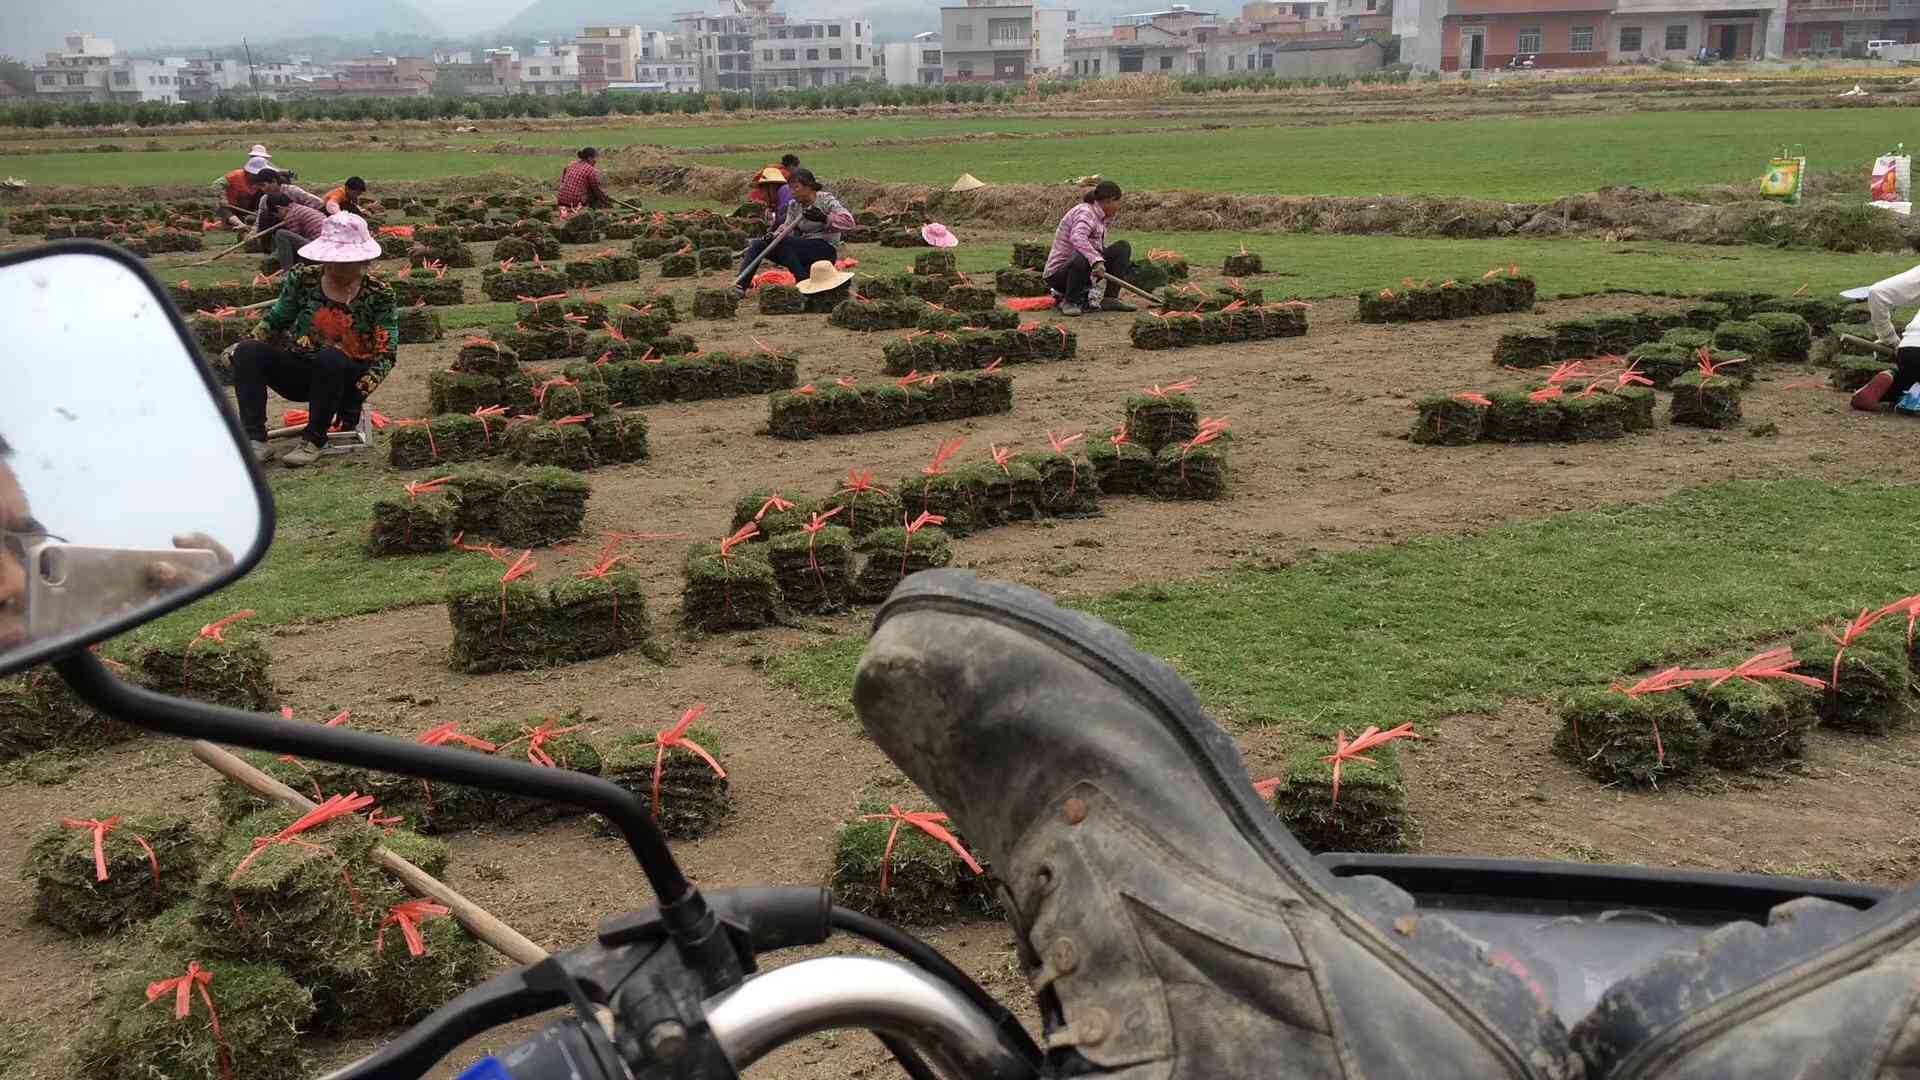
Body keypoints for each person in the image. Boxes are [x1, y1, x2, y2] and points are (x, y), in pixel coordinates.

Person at [232, 213, 398, 468]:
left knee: (330, 357)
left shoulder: (380, 294)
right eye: (330, 261)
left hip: (345, 378)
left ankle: (314, 440)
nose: (335, 268)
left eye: (345, 262)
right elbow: (277, 319)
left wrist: (357, 395)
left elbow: (386, 354)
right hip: (302, 368)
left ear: (364, 260)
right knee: (248, 352)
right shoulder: (304, 278)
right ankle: (255, 439)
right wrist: (247, 343)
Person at [733, 168, 853, 291]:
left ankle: (802, 280)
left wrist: (824, 218)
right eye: (790, 188)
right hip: (802, 249)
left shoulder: (826, 200)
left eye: (796, 188)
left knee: (783, 242)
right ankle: (740, 286)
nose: (792, 192)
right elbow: (786, 227)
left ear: (808, 187)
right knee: (759, 244)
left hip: (824, 249)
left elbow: (849, 222)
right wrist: (772, 236)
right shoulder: (794, 206)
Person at [1045, 179, 1137, 317]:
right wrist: (1096, 261)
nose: (1118, 207)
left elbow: (1095, 246)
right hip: (1060, 275)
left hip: (1083, 271)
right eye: (1118, 202)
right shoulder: (1085, 213)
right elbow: (1077, 238)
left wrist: (1098, 260)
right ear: (1109, 201)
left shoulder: (1099, 216)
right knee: (1083, 255)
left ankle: (1110, 299)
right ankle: (1069, 301)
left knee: (1122, 247)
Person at [1851, 264, 1920, 411]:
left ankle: (1892, 379)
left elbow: (1877, 292)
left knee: (1910, 376)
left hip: (1910, 348)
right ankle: (1901, 389)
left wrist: (1889, 339)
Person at [257, 193, 328, 271]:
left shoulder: (291, 216)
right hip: (327, 250)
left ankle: (287, 272)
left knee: (281, 234)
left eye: (276, 214)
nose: (279, 217)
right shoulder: (298, 208)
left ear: (279, 208)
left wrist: (273, 258)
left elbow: (292, 245)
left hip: (320, 252)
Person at [214, 155, 272, 231]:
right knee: (222, 208)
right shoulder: (236, 175)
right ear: (249, 172)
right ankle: (240, 224)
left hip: (245, 205)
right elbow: (217, 184)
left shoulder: (259, 181)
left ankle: (250, 220)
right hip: (230, 205)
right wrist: (222, 198)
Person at [252, 168, 326, 214]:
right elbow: (260, 220)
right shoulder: (264, 200)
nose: (262, 189)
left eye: (263, 185)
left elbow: (318, 203)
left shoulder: (292, 191)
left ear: (274, 181)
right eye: (260, 186)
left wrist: (302, 214)